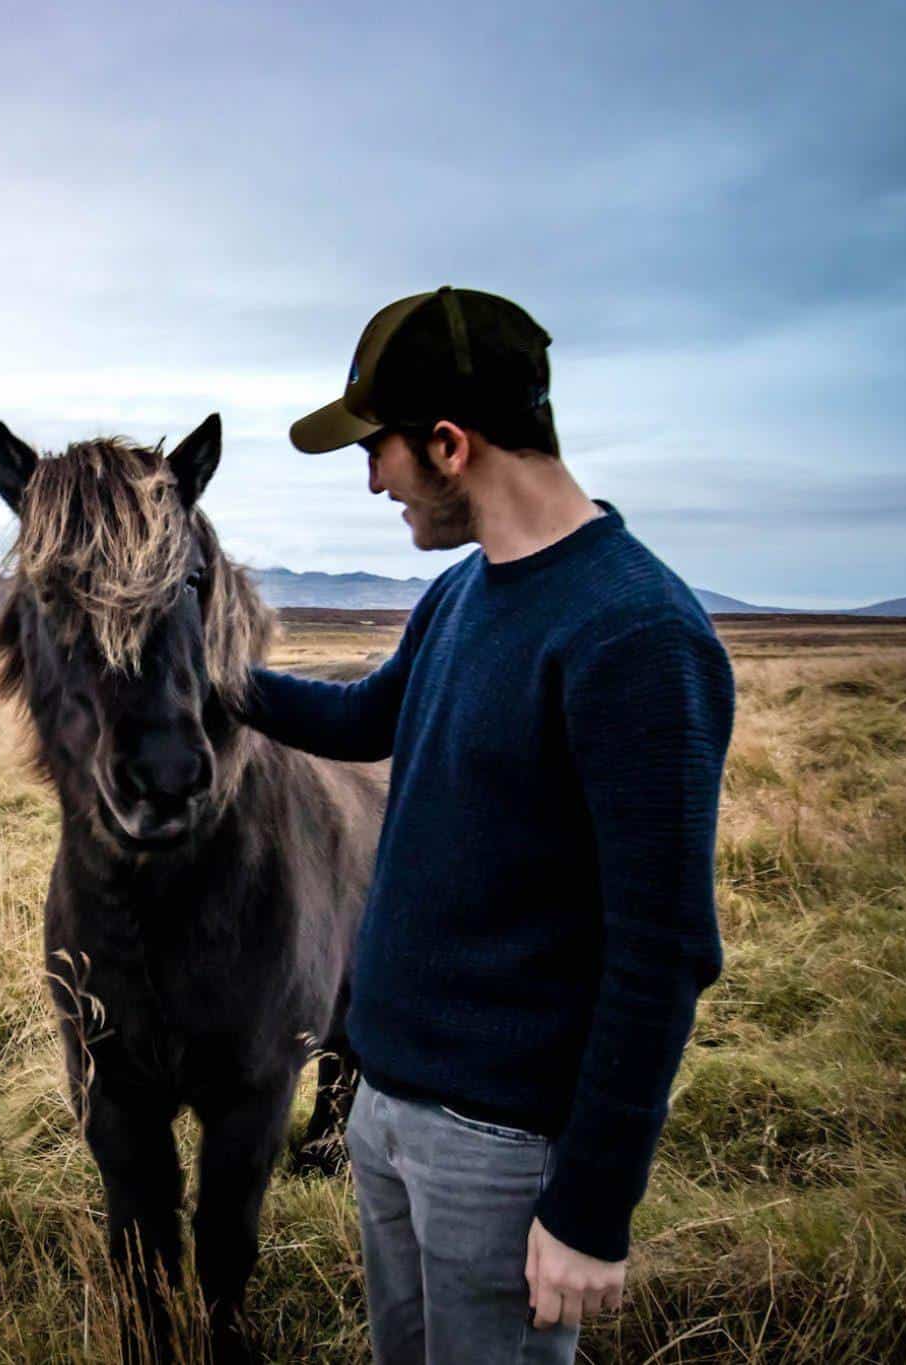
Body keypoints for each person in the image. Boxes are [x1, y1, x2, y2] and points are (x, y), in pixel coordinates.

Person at [240, 288, 735, 1362]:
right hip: (382, 1109)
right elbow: (370, 715)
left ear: (449, 444)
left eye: (377, 451)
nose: (371, 481)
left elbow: (663, 956)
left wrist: (588, 1213)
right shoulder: (461, 593)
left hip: (497, 1152)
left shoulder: (636, 637)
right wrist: (212, 680)